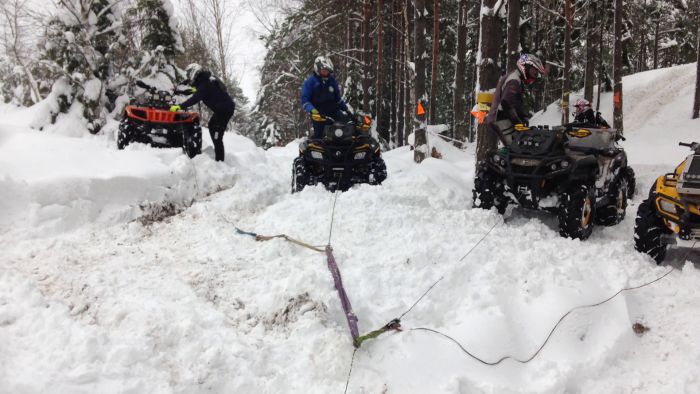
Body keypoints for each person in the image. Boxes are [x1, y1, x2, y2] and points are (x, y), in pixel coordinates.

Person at [170, 63, 235, 162]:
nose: (188, 76)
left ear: (194, 72)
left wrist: (180, 106)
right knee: (212, 127)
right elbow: (192, 90)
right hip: (222, 110)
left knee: (217, 135)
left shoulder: (205, 83)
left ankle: (220, 161)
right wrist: (179, 90)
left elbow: (195, 98)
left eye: (189, 74)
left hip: (224, 110)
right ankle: (219, 159)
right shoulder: (204, 80)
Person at [486, 53, 546, 145]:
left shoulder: (516, 78)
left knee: (519, 147)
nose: (535, 76)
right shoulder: (514, 80)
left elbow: (515, 103)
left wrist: (523, 116)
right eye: (534, 72)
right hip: (501, 117)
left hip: (501, 117)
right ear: (525, 67)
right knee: (516, 148)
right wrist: (518, 122)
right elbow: (506, 103)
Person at [301, 56, 349, 139]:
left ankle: (344, 147)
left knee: (345, 123)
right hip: (318, 111)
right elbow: (305, 100)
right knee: (320, 132)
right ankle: (317, 146)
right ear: (317, 69)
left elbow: (338, 99)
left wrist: (347, 110)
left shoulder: (332, 80)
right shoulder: (310, 81)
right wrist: (312, 110)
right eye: (324, 70)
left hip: (333, 109)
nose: (326, 72)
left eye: (327, 71)